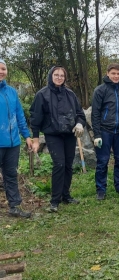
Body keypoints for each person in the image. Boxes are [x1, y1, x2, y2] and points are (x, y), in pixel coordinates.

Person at [30, 65, 86, 212]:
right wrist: (35, 138)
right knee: (59, 164)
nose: (59, 77)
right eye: (56, 75)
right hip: (53, 134)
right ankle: (55, 200)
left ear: (65, 78)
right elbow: (35, 118)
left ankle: (66, 195)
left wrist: (80, 124)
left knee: (68, 164)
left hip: (69, 134)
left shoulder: (70, 94)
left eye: (62, 75)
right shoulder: (42, 95)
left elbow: (80, 114)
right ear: (51, 76)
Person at [91, 63, 119, 200]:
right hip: (105, 131)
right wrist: (97, 134)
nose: (116, 76)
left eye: (118, 74)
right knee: (102, 162)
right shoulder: (100, 90)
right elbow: (95, 114)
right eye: (113, 73)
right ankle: (101, 190)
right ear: (108, 74)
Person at [0, 59, 33, 218]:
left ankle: (14, 207)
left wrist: (27, 136)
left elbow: (20, 115)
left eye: (3, 68)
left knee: (10, 174)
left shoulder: (12, 92)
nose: (1, 71)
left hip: (13, 143)